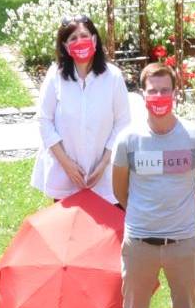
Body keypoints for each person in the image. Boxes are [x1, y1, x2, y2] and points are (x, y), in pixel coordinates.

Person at [111, 62, 195, 308]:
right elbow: (120, 191)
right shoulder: (127, 139)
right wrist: (143, 215)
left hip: (183, 244)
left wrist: (186, 212)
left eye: (165, 90)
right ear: (143, 94)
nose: (159, 96)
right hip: (139, 244)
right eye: (153, 90)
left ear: (175, 93)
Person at [31, 16, 130, 205]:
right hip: (65, 174)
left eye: (84, 36)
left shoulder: (113, 77)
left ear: (94, 39)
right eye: (73, 38)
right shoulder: (55, 76)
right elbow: (44, 120)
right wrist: (67, 165)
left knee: (107, 222)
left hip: (104, 175)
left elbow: (123, 122)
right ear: (65, 46)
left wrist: (103, 164)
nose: (80, 41)